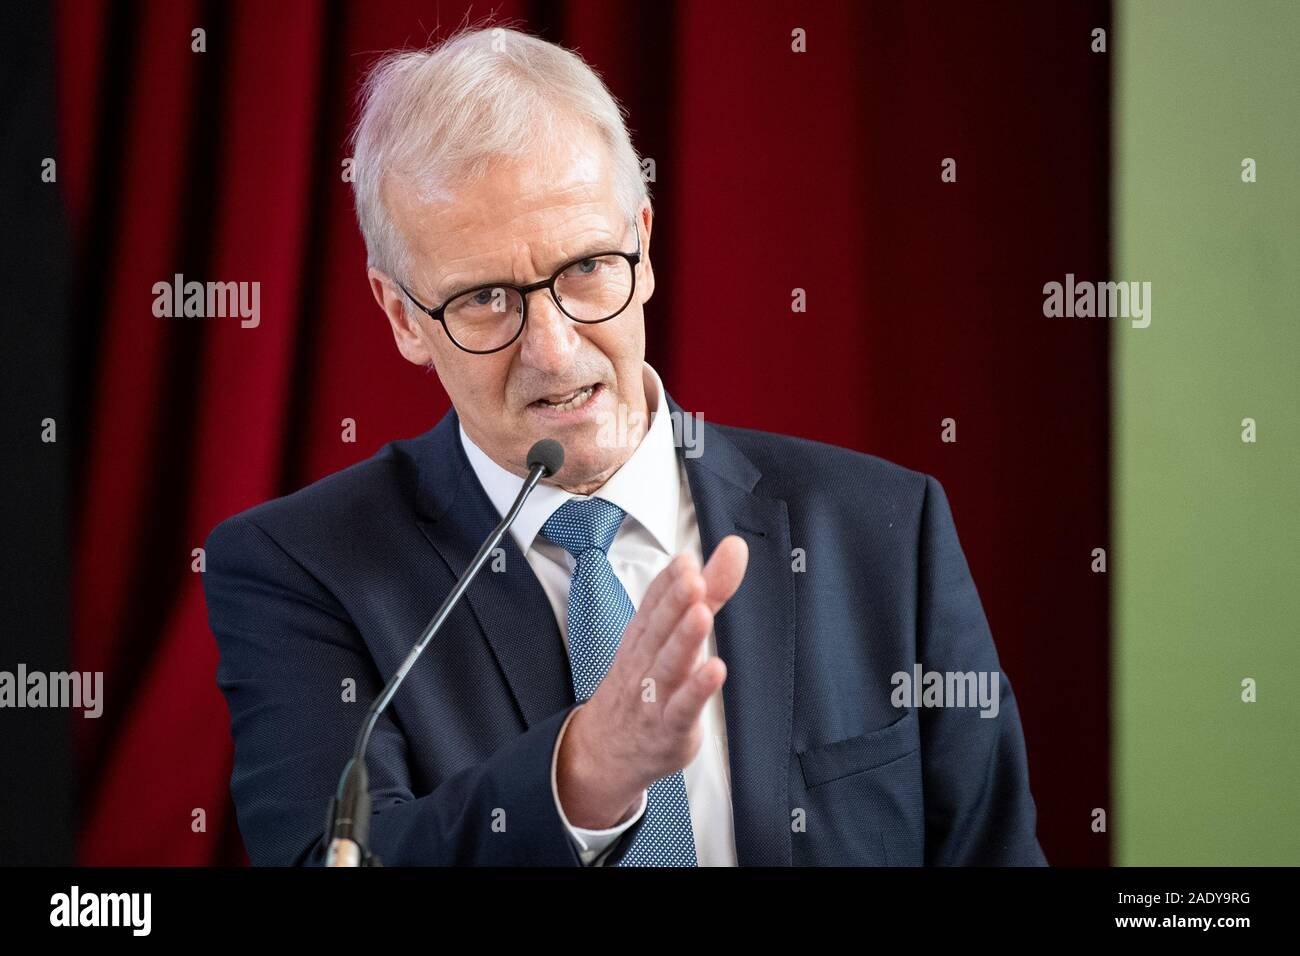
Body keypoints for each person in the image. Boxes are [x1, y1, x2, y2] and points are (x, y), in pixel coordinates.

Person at [203, 25, 1047, 867]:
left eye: (585, 269)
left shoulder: (886, 532)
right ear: (401, 317)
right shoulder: (300, 571)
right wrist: (585, 775)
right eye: (488, 298)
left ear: (642, 247)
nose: (553, 349)